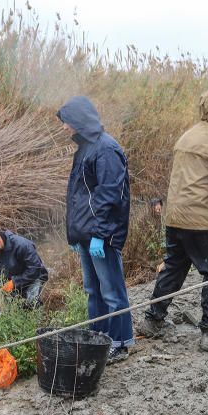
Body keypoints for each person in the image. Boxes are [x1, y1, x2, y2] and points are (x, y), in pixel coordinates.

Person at [136, 89, 208, 352]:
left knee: (174, 267)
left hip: (174, 217)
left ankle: (153, 320)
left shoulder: (186, 136)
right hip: (201, 221)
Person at [57, 95, 134, 364]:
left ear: (78, 120)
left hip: (103, 235)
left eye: (66, 122)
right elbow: (79, 198)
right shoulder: (85, 149)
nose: (63, 127)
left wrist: (100, 235)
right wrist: (75, 235)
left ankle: (120, 342)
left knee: (112, 291)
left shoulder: (105, 149)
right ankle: (99, 337)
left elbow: (109, 197)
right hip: (87, 235)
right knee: (93, 290)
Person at [0, 229, 49, 307]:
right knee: (12, 305)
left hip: (35, 277)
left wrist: (14, 283)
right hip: (13, 277)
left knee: (32, 304)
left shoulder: (22, 245)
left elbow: (35, 269)